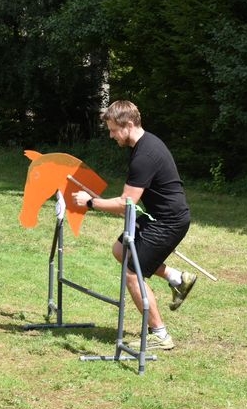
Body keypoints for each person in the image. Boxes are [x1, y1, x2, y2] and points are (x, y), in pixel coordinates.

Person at [72, 100, 196, 350]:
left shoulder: (145, 155)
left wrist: (90, 203)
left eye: (113, 130)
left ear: (128, 124)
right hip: (158, 216)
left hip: (168, 222)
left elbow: (125, 203)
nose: (111, 136)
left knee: (131, 274)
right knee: (120, 250)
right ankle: (177, 278)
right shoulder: (144, 144)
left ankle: (160, 334)